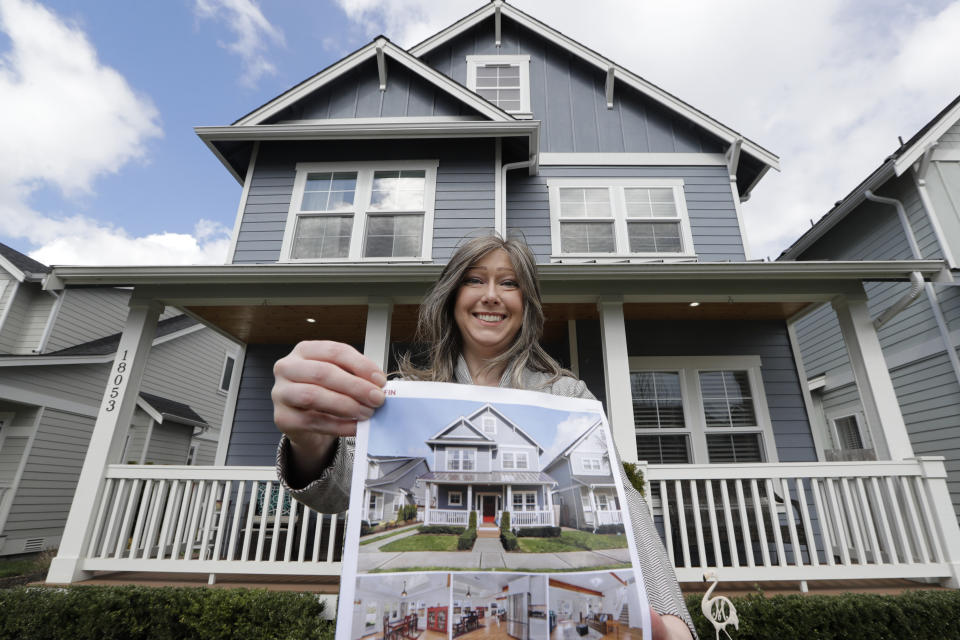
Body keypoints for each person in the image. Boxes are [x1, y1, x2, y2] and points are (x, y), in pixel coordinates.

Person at [272, 235, 697, 640]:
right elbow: (335, 490)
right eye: (475, 279)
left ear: (525, 304)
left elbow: (624, 499)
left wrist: (672, 616)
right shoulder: (401, 394)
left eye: (508, 283)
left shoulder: (566, 395)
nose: (491, 294)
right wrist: (309, 440)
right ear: (453, 297)